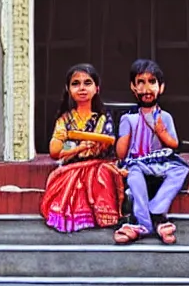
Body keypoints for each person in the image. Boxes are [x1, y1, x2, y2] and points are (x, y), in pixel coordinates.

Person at [40, 63, 125, 233]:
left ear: (97, 88)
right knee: (72, 180)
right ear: (68, 88)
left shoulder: (102, 118)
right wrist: (79, 148)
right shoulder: (65, 119)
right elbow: (55, 152)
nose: (82, 88)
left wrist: (78, 137)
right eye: (75, 83)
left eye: (87, 83)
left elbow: (108, 141)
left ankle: (102, 216)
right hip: (71, 167)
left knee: (101, 174)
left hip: (100, 164)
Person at [114, 59, 189, 245]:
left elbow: (173, 145)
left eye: (152, 82)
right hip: (138, 163)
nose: (146, 88)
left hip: (159, 162)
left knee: (181, 169)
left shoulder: (165, 117)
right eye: (141, 82)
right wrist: (125, 133)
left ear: (161, 87)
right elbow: (121, 154)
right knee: (134, 175)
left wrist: (161, 131)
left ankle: (157, 208)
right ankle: (145, 223)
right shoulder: (129, 118)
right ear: (133, 87)